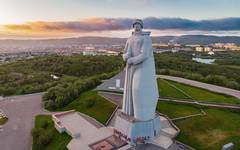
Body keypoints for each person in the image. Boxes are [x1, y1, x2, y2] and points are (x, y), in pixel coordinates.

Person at [122, 19, 159, 121]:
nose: (136, 26)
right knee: (131, 89)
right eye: (135, 25)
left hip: (142, 66)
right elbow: (126, 52)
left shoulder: (146, 38)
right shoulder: (130, 39)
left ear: (141, 26)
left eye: (138, 25)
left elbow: (145, 54)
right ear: (133, 26)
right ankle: (133, 113)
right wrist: (125, 57)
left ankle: (142, 116)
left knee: (137, 88)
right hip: (132, 67)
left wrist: (131, 60)